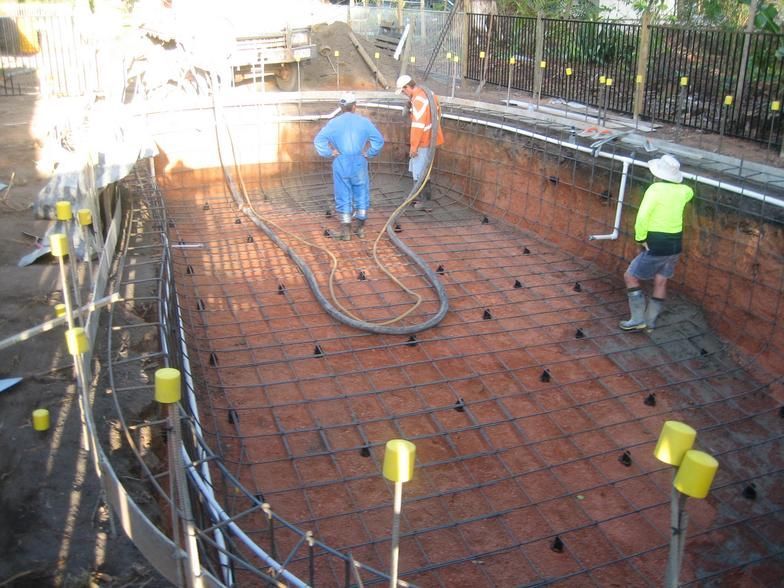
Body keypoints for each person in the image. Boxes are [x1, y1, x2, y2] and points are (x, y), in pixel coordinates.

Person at [620, 154, 694, 331]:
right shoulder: (685, 191)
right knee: (661, 281)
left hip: (657, 243)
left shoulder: (654, 189)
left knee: (630, 276)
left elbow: (643, 217)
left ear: (658, 174)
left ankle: (637, 320)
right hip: (675, 244)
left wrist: (640, 238)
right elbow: (689, 193)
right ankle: (650, 322)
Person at [314, 92, 385, 241]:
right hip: (359, 161)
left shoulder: (334, 123)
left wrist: (329, 152)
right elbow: (378, 140)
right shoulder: (364, 122)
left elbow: (319, 140)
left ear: (341, 107)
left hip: (341, 162)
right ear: (354, 106)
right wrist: (369, 153)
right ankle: (360, 228)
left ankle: (345, 231)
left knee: (343, 193)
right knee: (361, 192)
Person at [395, 74, 445, 211]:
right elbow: (434, 112)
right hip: (430, 138)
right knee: (420, 169)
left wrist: (414, 147)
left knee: (420, 172)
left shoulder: (418, 101)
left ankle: (425, 202)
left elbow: (418, 126)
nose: (404, 94)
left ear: (407, 87)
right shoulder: (427, 93)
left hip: (423, 141)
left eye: (403, 91)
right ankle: (417, 196)